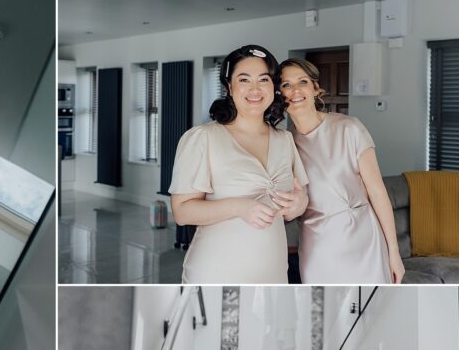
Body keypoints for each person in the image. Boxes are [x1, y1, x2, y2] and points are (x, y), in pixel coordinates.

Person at [169, 45, 309, 283]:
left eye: (263, 79)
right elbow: (182, 211)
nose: (255, 89)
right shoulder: (203, 138)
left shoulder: (284, 139)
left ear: (273, 87)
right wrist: (240, 207)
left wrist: (299, 203)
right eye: (244, 79)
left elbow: (301, 195)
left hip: (273, 268)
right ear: (229, 86)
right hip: (217, 270)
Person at [279, 59, 405, 284]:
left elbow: (377, 192)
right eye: (286, 84)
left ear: (316, 89)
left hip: (365, 241)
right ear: (279, 94)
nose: (295, 90)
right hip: (318, 246)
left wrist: (394, 253)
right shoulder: (284, 145)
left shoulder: (350, 128)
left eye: (302, 82)